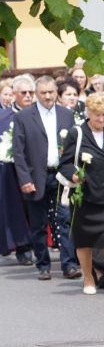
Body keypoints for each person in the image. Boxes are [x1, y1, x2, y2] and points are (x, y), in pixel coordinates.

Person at [56, 93, 104, 295]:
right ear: (88, 113)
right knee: (84, 240)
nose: (101, 119)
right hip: (85, 196)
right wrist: (74, 176)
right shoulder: (77, 133)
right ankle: (89, 279)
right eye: (97, 115)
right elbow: (64, 164)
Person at [12, 75, 78, 280]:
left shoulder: (66, 115)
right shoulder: (24, 117)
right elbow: (19, 152)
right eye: (43, 93)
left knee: (65, 220)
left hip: (61, 176)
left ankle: (69, 265)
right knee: (39, 224)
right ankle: (43, 265)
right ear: (36, 94)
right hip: (36, 177)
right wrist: (25, 180)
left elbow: (74, 146)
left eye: (51, 92)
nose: (48, 96)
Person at [0, 91, 32, 262]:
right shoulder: (3, 116)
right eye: (24, 93)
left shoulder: (38, 113)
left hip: (36, 168)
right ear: (15, 94)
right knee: (16, 208)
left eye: (31, 92)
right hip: (11, 169)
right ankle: (22, 245)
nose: (28, 96)